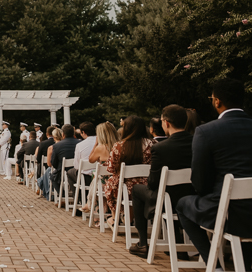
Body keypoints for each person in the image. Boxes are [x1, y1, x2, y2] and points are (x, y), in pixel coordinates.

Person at [176, 78, 252, 272]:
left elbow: (200, 183)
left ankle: (214, 267)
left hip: (230, 212)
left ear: (217, 101)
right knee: (238, 204)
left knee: (183, 204)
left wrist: (209, 194)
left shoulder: (206, 132)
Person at [129, 105, 194, 258]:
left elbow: (152, 182)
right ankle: (177, 244)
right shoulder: (197, 142)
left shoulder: (161, 148)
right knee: (170, 192)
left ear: (166, 123)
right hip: (193, 196)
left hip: (167, 199)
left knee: (138, 190)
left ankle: (143, 242)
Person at [105, 116, 154, 227]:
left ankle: (116, 217)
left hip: (123, 189)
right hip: (148, 186)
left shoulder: (119, 145)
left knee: (111, 183)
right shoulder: (153, 144)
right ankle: (129, 218)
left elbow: (110, 168)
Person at [78, 121, 122, 216]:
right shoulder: (121, 146)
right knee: (96, 178)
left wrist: (96, 144)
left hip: (105, 183)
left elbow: (91, 160)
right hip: (120, 181)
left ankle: (93, 209)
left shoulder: (100, 148)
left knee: (96, 180)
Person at [66, 121, 97, 197]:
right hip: (99, 175)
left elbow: (76, 166)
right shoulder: (102, 142)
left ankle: (78, 199)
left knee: (70, 172)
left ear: (83, 132)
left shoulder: (80, 145)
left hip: (86, 178)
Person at [50, 124, 80, 198]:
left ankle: (62, 195)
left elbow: (53, 163)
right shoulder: (80, 143)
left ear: (63, 134)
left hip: (63, 173)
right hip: (78, 172)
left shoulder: (57, 146)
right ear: (73, 133)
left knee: (53, 176)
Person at [37, 128, 63, 198]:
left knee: (48, 170)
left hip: (56, 171)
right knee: (48, 171)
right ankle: (40, 182)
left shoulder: (51, 147)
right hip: (68, 170)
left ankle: (41, 184)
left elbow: (49, 164)